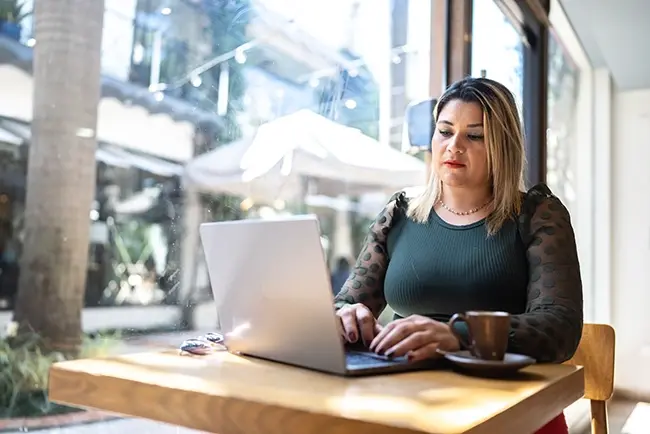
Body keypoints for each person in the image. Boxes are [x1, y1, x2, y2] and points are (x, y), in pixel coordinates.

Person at [333, 77, 583, 434]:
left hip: (512, 409)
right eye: (445, 131)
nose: (454, 146)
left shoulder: (538, 214)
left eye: (475, 135)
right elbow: (348, 303)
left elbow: (560, 328)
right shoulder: (399, 212)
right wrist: (347, 315)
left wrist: (458, 335)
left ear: (502, 146)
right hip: (402, 399)